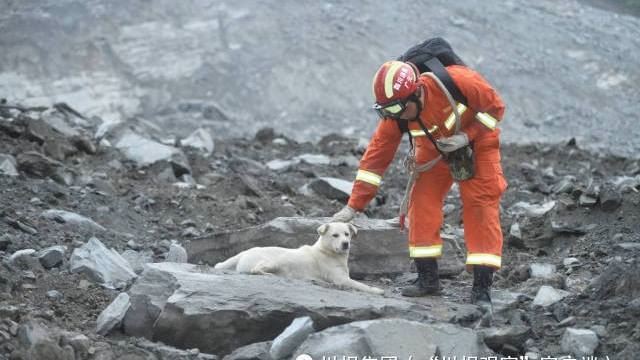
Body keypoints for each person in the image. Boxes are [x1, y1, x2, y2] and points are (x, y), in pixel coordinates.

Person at [332, 60, 506, 312]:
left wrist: (468, 135)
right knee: (421, 204)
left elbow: (496, 109)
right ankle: (428, 279)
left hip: (477, 146)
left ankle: (482, 287)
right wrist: (353, 206)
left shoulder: (458, 81)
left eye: (400, 108)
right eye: (389, 110)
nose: (397, 115)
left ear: (417, 92)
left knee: (480, 206)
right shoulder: (396, 114)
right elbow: (375, 159)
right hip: (431, 150)